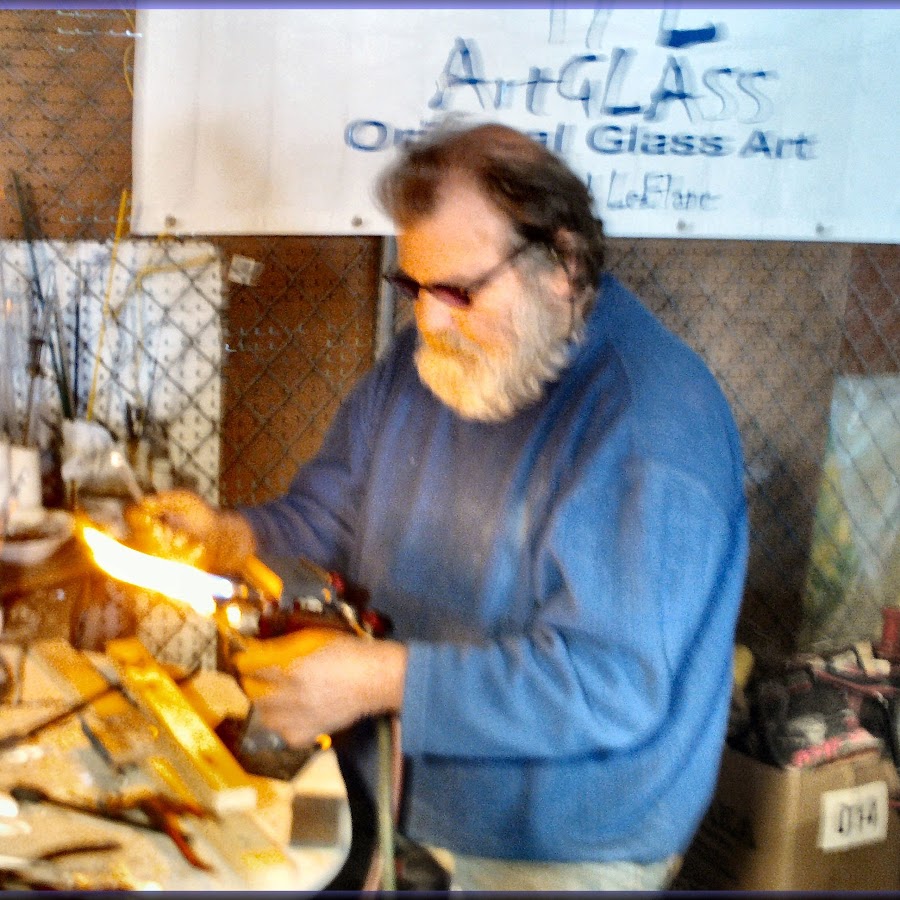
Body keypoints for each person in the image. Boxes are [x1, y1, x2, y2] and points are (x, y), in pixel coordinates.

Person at [136, 121, 749, 891]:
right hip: (398, 792)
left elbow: (609, 687)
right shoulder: (431, 361)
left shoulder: (647, 425)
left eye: (459, 290)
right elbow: (332, 518)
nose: (428, 320)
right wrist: (231, 538)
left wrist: (379, 681)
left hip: (556, 847)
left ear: (562, 265)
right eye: (413, 287)